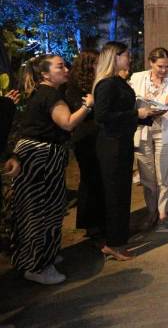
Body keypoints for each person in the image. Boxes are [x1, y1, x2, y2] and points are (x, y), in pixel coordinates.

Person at [11, 55, 93, 284]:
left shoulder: (42, 92)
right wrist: (88, 105)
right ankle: (39, 265)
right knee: (44, 209)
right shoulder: (50, 95)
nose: (66, 69)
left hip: (36, 156)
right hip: (42, 157)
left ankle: (37, 257)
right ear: (45, 74)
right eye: (60, 67)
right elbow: (67, 122)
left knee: (38, 208)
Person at [94, 42, 160, 261]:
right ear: (115, 56)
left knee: (122, 194)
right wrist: (137, 114)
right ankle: (114, 243)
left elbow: (122, 112)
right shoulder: (106, 84)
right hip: (111, 146)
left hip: (121, 143)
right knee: (115, 195)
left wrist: (148, 115)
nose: (129, 58)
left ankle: (118, 240)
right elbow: (102, 117)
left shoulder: (117, 82)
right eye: (126, 55)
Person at [129, 47, 168, 229]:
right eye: (160, 66)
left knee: (163, 176)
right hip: (142, 131)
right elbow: (129, 102)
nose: (164, 70)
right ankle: (151, 211)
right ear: (151, 63)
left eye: (167, 66)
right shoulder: (136, 78)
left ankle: (163, 214)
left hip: (164, 131)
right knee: (148, 177)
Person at [64, 50, 104, 238]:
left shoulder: (96, 83)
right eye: (97, 63)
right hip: (85, 138)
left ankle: (96, 221)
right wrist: (92, 104)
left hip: (98, 136)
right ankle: (90, 224)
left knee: (98, 179)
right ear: (88, 65)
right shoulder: (74, 87)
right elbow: (78, 113)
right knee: (90, 179)